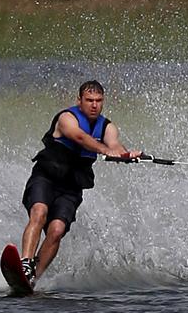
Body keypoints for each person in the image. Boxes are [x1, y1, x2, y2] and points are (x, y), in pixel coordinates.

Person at [20, 80, 141, 286]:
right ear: (79, 100)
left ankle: (32, 279)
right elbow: (79, 137)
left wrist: (127, 154)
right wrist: (105, 150)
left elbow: (115, 146)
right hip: (45, 178)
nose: (94, 105)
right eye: (89, 100)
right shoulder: (67, 118)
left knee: (57, 230)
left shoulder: (107, 127)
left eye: (99, 101)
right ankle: (25, 263)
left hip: (71, 188)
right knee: (39, 212)